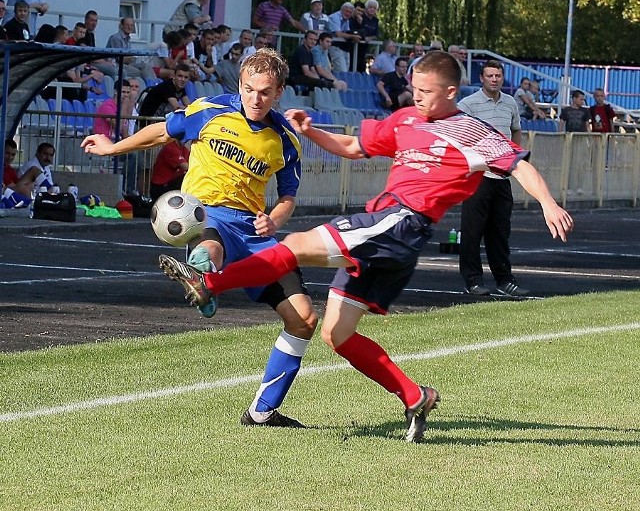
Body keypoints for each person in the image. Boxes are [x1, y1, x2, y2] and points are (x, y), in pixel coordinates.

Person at [156, 50, 574, 443]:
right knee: (337, 335)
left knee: (297, 244)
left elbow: (519, 165)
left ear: (450, 92)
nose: (418, 96)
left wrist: (548, 202)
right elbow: (355, 148)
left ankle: (212, 284)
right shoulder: (407, 118)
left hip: (398, 221)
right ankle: (414, 395)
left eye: (426, 91)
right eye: (415, 88)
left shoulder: (473, 132)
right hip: (392, 235)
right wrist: (312, 131)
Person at [81, 48, 318, 429]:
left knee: (304, 318)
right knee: (210, 246)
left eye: (264, 92)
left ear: (279, 92)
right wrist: (112, 146)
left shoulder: (285, 139)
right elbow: (161, 131)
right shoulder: (210, 110)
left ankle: (261, 412)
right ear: (239, 84)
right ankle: (202, 275)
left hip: (253, 231)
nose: (255, 98)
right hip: (207, 214)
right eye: (248, 88)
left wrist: (273, 220)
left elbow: (288, 196)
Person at [457, 59, 529, 297]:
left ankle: (504, 280)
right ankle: (472, 280)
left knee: (500, 232)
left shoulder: (510, 103)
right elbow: (459, 136)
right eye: (490, 76)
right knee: (472, 231)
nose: (494, 80)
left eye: (498, 76)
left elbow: (516, 130)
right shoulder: (468, 104)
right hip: (478, 175)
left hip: (502, 176)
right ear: (482, 78)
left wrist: (513, 159)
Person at [138, 63, 191, 128]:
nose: (183, 79)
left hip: (157, 122)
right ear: (174, 76)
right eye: (180, 76)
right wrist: (191, 109)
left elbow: (189, 106)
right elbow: (177, 108)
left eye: (186, 77)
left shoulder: (180, 88)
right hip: (146, 122)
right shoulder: (167, 86)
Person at [326, 2, 362, 72]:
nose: (348, 14)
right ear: (341, 10)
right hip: (333, 45)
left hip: (342, 47)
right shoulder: (335, 17)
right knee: (342, 71)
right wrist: (353, 36)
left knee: (346, 71)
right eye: (347, 11)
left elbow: (346, 32)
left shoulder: (347, 20)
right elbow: (339, 34)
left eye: (350, 12)